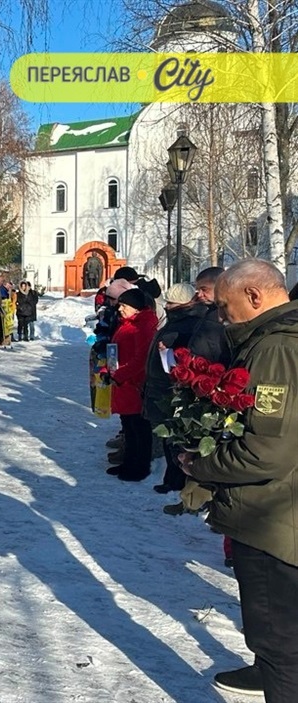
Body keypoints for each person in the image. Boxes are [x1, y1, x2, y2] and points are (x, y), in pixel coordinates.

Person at [182, 260, 298, 701]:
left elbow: (267, 449)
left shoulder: (276, 349)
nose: (222, 318)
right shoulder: (276, 340)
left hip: (273, 522)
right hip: (281, 510)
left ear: (254, 296)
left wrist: (202, 465)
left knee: (279, 645)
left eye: (227, 308)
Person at [142, 283, 230, 494]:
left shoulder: (190, 323)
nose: (168, 306)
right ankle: (173, 477)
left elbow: (189, 355)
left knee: (176, 437)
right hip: (162, 384)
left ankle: (177, 479)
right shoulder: (182, 320)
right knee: (170, 437)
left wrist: (169, 352)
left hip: (171, 386)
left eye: (171, 303)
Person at [106, 288, 159, 482]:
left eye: (124, 306)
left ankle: (140, 466)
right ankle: (128, 462)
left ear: (136, 308)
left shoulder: (142, 326)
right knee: (128, 425)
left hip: (135, 384)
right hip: (124, 382)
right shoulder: (128, 323)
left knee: (138, 427)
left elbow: (141, 359)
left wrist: (120, 374)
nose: (120, 309)